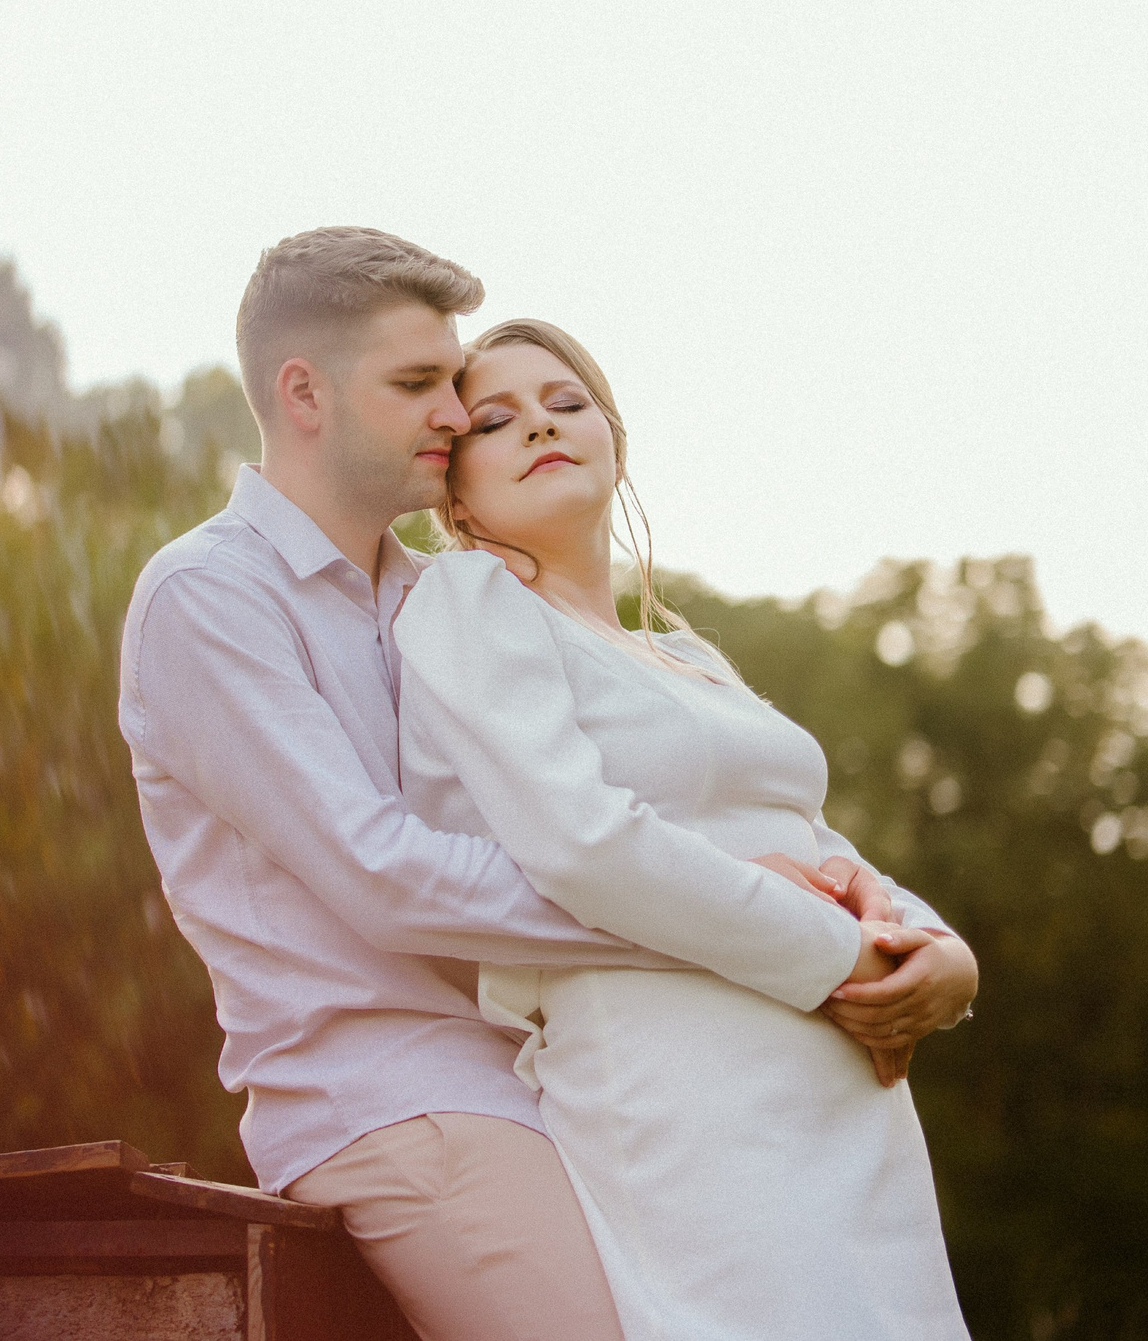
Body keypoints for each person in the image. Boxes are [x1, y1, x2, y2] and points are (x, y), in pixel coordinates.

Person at [118, 227, 973, 1341]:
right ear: (303, 393)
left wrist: (921, 947)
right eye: (420, 384)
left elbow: (736, 826)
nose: (450, 411)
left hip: (536, 1071)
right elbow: (386, 875)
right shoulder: (208, 597)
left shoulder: (441, 594)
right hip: (391, 1092)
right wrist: (765, 933)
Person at [390, 317, 975, 1337]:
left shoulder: (690, 655)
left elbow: (813, 841)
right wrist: (844, 959)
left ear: (615, 445)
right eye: (497, 420)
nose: (539, 425)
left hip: (847, 1097)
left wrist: (941, 958)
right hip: (682, 1085)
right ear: (454, 487)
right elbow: (582, 843)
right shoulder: (470, 600)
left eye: (566, 405)